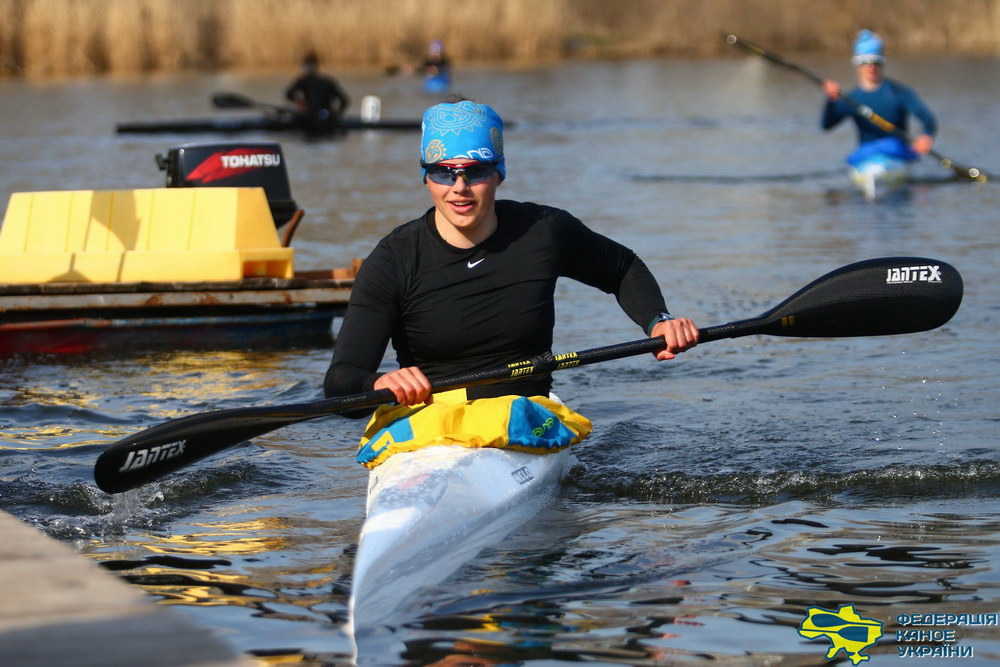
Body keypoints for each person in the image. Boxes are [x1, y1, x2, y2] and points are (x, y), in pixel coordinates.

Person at [323, 100, 698, 460]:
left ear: (499, 173)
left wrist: (658, 320)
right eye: (443, 172)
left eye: (476, 171)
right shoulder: (392, 261)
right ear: (426, 178)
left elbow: (622, 268)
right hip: (429, 427)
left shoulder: (542, 232)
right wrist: (376, 384)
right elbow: (341, 381)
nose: (459, 187)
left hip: (523, 419)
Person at [820, 30, 937, 167]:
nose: (871, 67)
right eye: (865, 62)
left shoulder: (899, 93)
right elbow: (826, 125)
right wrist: (831, 100)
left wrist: (926, 135)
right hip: (867, 157)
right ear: (857, 65)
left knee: (893, 147)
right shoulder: (851, 99)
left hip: (897, 154)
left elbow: (927, 118)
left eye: (876, 62)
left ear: (882, 63)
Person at [285, 51, 350, 132]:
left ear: (305, 67)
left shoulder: (303, 80)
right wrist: (336, 114)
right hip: (327, 118)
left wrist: (300, 102)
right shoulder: (329, 81)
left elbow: (289, 94)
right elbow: (344, 101)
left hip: (308, 118)